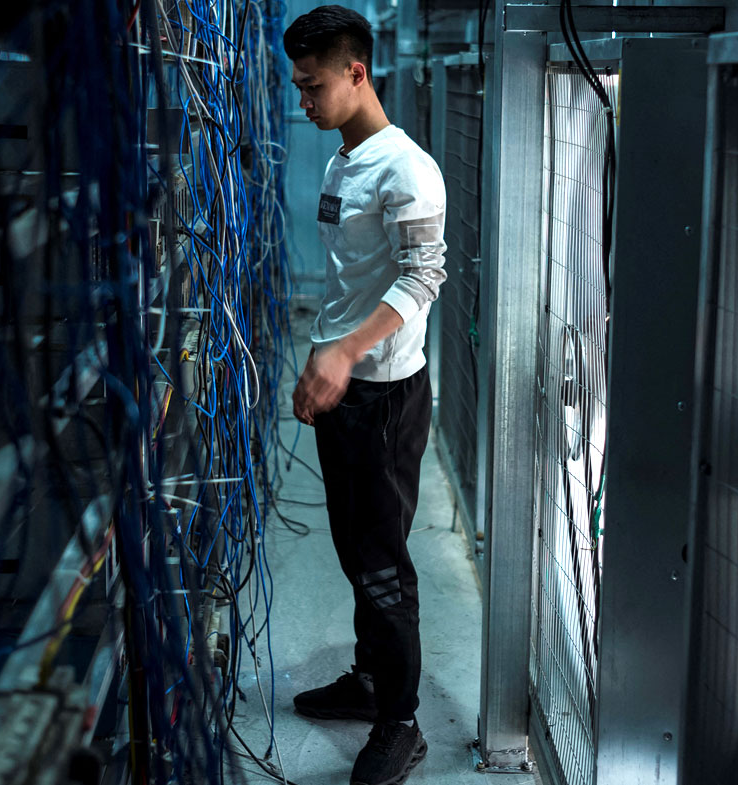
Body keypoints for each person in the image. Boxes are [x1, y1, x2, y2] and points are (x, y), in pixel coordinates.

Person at [283, 6, 447, 785]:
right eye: (298, 87)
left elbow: (424, 276)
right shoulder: (340, 163)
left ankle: (402, 721)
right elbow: (351, 286)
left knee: (382, 563)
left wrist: (345, 352)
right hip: (346, 387)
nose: (304, 102)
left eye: (314, 87)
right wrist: (324, 353)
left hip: (384, 396)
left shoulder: (405, 169)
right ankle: (370, 677)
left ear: (357, 72)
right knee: (355, 548)